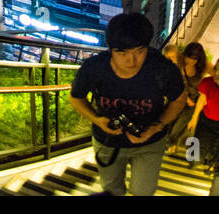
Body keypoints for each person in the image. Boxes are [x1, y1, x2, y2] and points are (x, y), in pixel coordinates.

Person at [69, 12, 188, 196]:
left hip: (150, 143)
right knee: (111, 190)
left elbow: (179, 99)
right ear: (110, 49)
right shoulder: (94, 68)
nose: (131, 61)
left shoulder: (162, 69)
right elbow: (76, 97)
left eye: (139, 51)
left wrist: (156, 126)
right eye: (122, 53)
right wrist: (97, 119)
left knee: (143, 191)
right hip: (107, 142)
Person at [167, 41, 210, 153]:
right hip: (177, 98)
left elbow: (216, 74)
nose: (190, 61)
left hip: (191, 104)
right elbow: (173, 82)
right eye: (188, 58)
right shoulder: (179, 60)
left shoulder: (203, 66)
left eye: (194, 59)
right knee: (169, 123)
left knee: (179, 126)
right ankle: (170, 144)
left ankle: (171, 144)